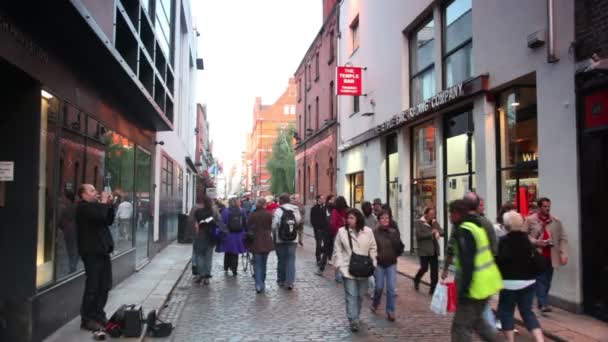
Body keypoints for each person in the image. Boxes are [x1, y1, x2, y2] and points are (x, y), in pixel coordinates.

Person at [449, 199, 503, 342]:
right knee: (479, 323)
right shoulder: (476, 226)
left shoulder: (465, 230)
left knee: (460, 327)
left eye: (451, 213)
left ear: (457, 214)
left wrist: (464, 289)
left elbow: (468, 262)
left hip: (475, 286)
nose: (449, 217)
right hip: (487, 282)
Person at [496, 211, 545, 342]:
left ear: (506, 226)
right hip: (528, 281)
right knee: (527, 312)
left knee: (506, 311)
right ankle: (540, 340)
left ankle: (510, 340)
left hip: (508, 283)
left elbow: (499, 261)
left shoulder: (503, 241)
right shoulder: (527, 239)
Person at [75, 184, 115, 331]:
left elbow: (108, 219)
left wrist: (109, 205)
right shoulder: (83, 208)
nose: (96, 192)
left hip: (103, 252)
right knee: (92, 286)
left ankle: (99, 314)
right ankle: (87, 319)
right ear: (83, 195)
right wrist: (104, 203)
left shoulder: (96, 206)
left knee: (104, 285)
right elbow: (99, 215)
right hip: (91, 253)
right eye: (91, 190)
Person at [333, 209, 377, 332]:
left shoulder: (368, 231)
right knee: (351, 295)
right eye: (348, 218)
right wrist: (340, 265)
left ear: (358, 218)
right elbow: (337, 249)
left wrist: (374, 262)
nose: (349, 220)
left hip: (364, 268)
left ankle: (356, 315)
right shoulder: (342, 232)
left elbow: (373, 247)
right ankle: (353, 319)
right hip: (348, 268)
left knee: (360, 295)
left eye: (352, 218)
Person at [526, 197, 568, 313]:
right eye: (544, 206)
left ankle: (541, 302)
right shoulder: (530, 220)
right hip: (537, 254)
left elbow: (563, 238)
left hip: (551, 255)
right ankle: (544, 303)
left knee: (547, 280)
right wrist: (535, 241)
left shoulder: (556, 221)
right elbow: (523, 235)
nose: (547, 209)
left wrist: (563, 253)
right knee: (540, 278)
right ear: (539, 207)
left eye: (548, 206)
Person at [371, 210, 403, 321]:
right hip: (379, 264)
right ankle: (375, 303)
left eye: (387, 218)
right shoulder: (374, 233)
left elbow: (400, 246)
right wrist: (375, 258)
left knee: (390, 288)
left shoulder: (393, 232)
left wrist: (395, 255)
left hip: (391, 263)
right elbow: (372, 248)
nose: (385, 220)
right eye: (383, 218)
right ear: (379, 220)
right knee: (379, 287)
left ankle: (390, 311)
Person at [272, 193, 302, 290]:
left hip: (280, 239)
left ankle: (281, 280)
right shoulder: (295, 209)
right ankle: (290, 282)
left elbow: (274, 225)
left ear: (280, 201)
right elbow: (298, 221)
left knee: (281, 259)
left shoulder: (278, 210)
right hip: (293, 238)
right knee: (291, 259)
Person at [193, 195, 222, 285]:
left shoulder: (198, 211)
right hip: (211, 236)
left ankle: (201, 274)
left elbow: (196, 225)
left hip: (201, 236)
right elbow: (219, 221)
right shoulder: (214, 211)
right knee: (208, 257)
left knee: (199, 255)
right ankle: (207, 276)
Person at [247, 198, 275, 293]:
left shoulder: (252, 214)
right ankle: (262, 282)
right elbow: (270, 226)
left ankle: (258, 284)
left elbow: (248, 227)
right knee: (264, 263)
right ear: (264, 205)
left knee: (257, 264)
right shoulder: (268, 214)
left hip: (255, 241)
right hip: (266, 240)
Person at [414, 206, 444, 294]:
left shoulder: (434, 222)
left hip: (434, 250)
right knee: (424, 268)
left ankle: (433, 289)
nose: (432, 216)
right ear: (425, 214)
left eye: (434, 214)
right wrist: (431, 233)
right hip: (424, 250)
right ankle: (417, 279)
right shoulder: (419, 223)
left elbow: (442, 231)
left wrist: (438, 232)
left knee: (434, 271)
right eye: (431, 214)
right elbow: (419, 235)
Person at [218, 198, 248, 276]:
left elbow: (222, 222)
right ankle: (234, 268)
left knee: (228, 250)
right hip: (239, 234)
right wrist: (246, 232)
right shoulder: (242, 211)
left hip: (228, 234)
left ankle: (226, 266)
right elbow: (245, 222)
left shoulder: (225, 211)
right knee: (235, 252)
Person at [58, 189, 79, 273]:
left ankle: (72, 266)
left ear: (67, 198)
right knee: (75, 249)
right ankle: (73, 265)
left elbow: (60, 221)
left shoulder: (65, 208)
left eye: (64, 197)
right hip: (76, 230)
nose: (62, 199)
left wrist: (63, 228)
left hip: (69, 231)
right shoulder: (76, 207)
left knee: (70, 249)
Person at [330, 196, 349, 283]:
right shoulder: (347, 211)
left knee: (338, 254)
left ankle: (337, 275)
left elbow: (333, 225)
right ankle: (345, 273)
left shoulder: (335, 211)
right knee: (347, 254)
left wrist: (339, 230)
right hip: (347, 235)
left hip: (338, 235)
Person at [317, 195, 335, 275]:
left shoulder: (335, 211)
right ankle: (321, 268)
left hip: (334, 234)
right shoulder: (323, 210)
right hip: (327, 234)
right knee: (326, 250)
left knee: (331, 250)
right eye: (331, 200)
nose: (332, 202)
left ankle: (338, 274)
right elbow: (320, 222)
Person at [310, 195, 327, 270]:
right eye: (321, 198)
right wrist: (316, 228)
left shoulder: (325, 208)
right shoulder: (314, 209)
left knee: (326, 244)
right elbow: (312, 220)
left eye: (323, 198)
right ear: (318, 200)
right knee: (319, 243)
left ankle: (322, 254)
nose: (323, 200)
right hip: (318, 229)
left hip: (325, 229)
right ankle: (318, 259)